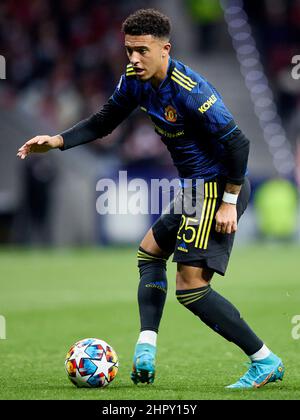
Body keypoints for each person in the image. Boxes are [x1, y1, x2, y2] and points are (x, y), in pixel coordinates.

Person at [17, 8, 284, 389]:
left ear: (165, 49)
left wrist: (228, 201)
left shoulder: (192, 91)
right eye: (129, 50)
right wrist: (57, 140)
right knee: (150, 253)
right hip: (194, 189)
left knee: (192, 289)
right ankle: (146, 347)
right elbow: (105, 119)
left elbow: (239, 143)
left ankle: (264, 360)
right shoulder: (134, 80)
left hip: (216, 188)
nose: (134, 59)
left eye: (142, 50)